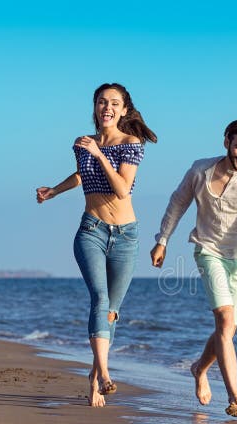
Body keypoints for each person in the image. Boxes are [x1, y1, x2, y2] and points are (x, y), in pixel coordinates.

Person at [36, 82, 157, 407]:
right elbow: (81, 175)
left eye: (114, 103)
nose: (107, 107)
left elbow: (121, 189)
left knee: (112, 311)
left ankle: (93, 375)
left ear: (124, 110)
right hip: (91, 230)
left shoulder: (132, 143)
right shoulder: (83, 144)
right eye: (102, 102)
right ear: (95, 107)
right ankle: (104, 373)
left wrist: (99, 154)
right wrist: (53, 191)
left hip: (126, 235)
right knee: (100, 298)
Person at [151, 119, 237, 417]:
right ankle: (235, 396)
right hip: (208, 250)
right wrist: (163, 241)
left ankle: (199, 369)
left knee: (227, 329)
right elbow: (177, 203)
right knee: (224, 318)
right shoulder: (200, 170)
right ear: (226, 142)